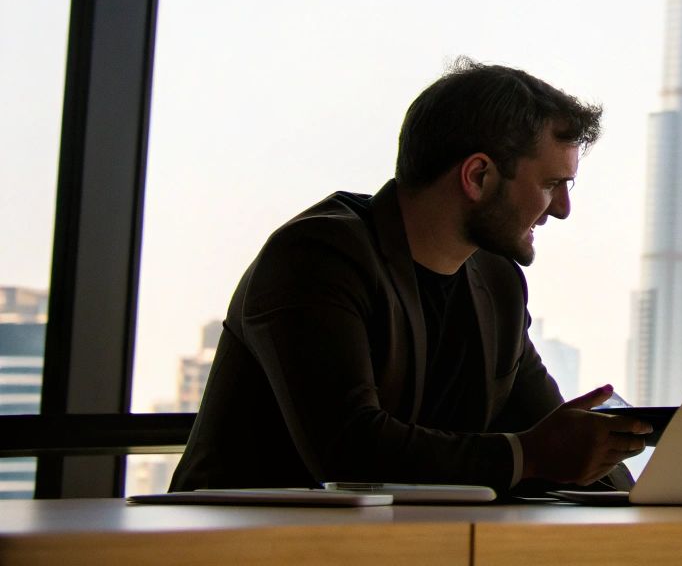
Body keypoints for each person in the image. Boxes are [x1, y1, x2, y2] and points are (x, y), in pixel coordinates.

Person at [171, 58, 650, 492]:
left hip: (400, 542)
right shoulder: (316, 256)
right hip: (240, 544)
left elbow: (550, 431)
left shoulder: (497, 283)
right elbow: (348, 449)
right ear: (478, 176)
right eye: (551, 184)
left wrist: (637, 487)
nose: (562, 209)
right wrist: (529, 456)